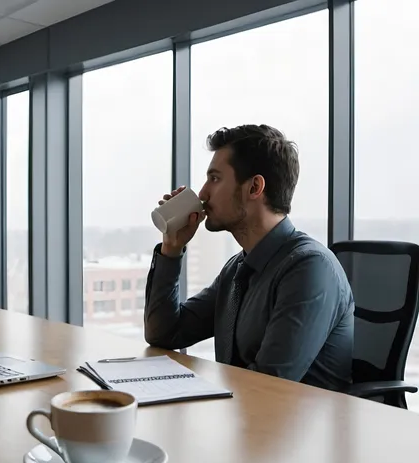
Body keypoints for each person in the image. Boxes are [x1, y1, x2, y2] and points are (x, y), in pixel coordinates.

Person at [144, 124, 354, 391]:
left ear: (255, 187)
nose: (203, 193)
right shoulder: (238, 269)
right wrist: (171, 250)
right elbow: (164, 333)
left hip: (295, 428)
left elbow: (268, 385)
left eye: (215, 178)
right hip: (248, 422)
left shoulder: (310, 268)